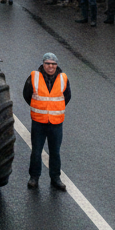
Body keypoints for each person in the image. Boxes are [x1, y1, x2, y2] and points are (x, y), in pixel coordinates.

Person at [23, 52, 71, 191]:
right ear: (43, 65)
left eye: (53, 64)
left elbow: (67, 96)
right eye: (48, 64)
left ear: (57, 65)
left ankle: (55, 178)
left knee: (55, 152)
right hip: (39, 122)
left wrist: (54, 109)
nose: (51, 66)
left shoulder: (63, 78)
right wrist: (39, 108)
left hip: (56, 122)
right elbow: (27, 95)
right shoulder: (34, 77)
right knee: (36, 151)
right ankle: (34, 178)